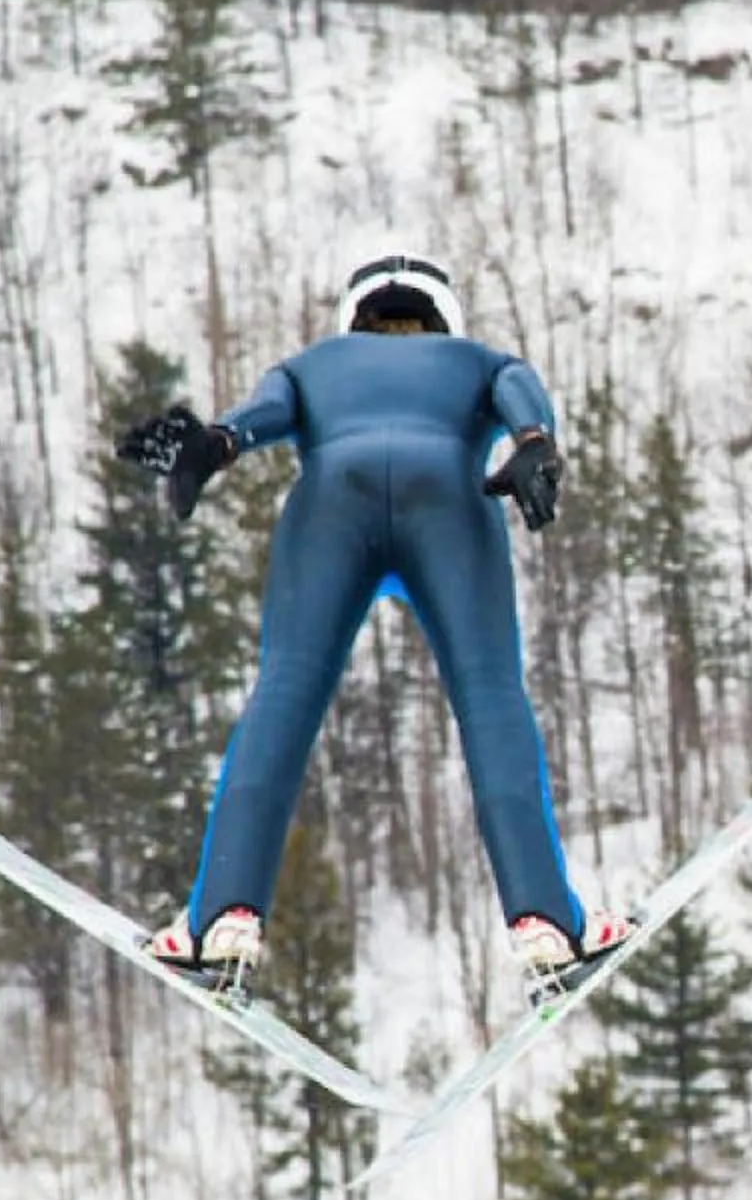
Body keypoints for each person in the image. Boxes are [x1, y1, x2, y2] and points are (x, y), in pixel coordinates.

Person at [115, 252, 627, 986]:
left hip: (331, 501)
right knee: (490, 698)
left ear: (351, 317)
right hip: (451, 493)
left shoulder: (312, 364)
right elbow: (518, 387)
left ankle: (219, 921)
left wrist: (214, 442)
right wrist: (534, 444)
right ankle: (548, 925)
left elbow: (256, 419)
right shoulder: (478, 359)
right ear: (444, 317)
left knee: (283, 696)